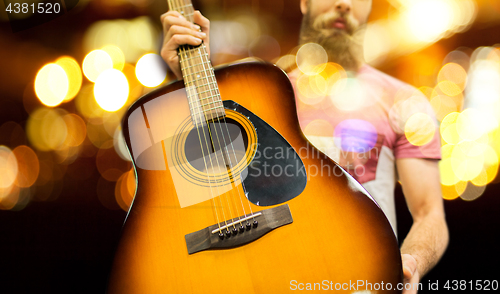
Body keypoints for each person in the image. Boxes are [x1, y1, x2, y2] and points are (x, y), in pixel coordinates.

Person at [160, 0, 449, 293]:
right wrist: (186, 78)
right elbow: (211, 174)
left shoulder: (406, 103)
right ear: (304, 2)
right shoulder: (259, 93)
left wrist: (411, 261)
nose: (343, 3)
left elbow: (429, 213)